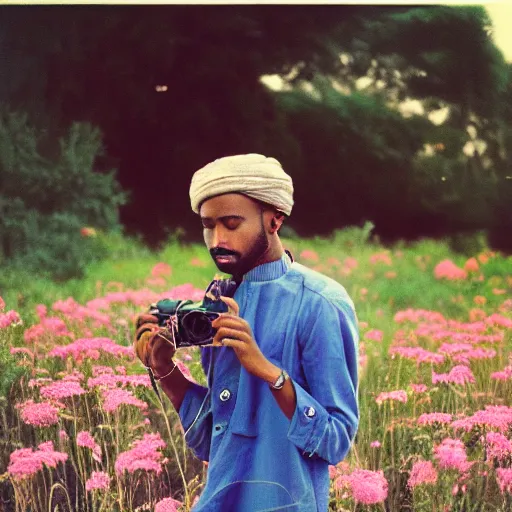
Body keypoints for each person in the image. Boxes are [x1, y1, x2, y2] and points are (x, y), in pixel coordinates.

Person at [134, 153, 359, 512]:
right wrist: (164, 369)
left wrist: (267, 371)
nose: (217, 239)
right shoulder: (219, 301)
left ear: (274, 219)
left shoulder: (320, 303)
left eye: (232, 223)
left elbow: (335, 440)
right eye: (209, 225)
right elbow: (214, 441)